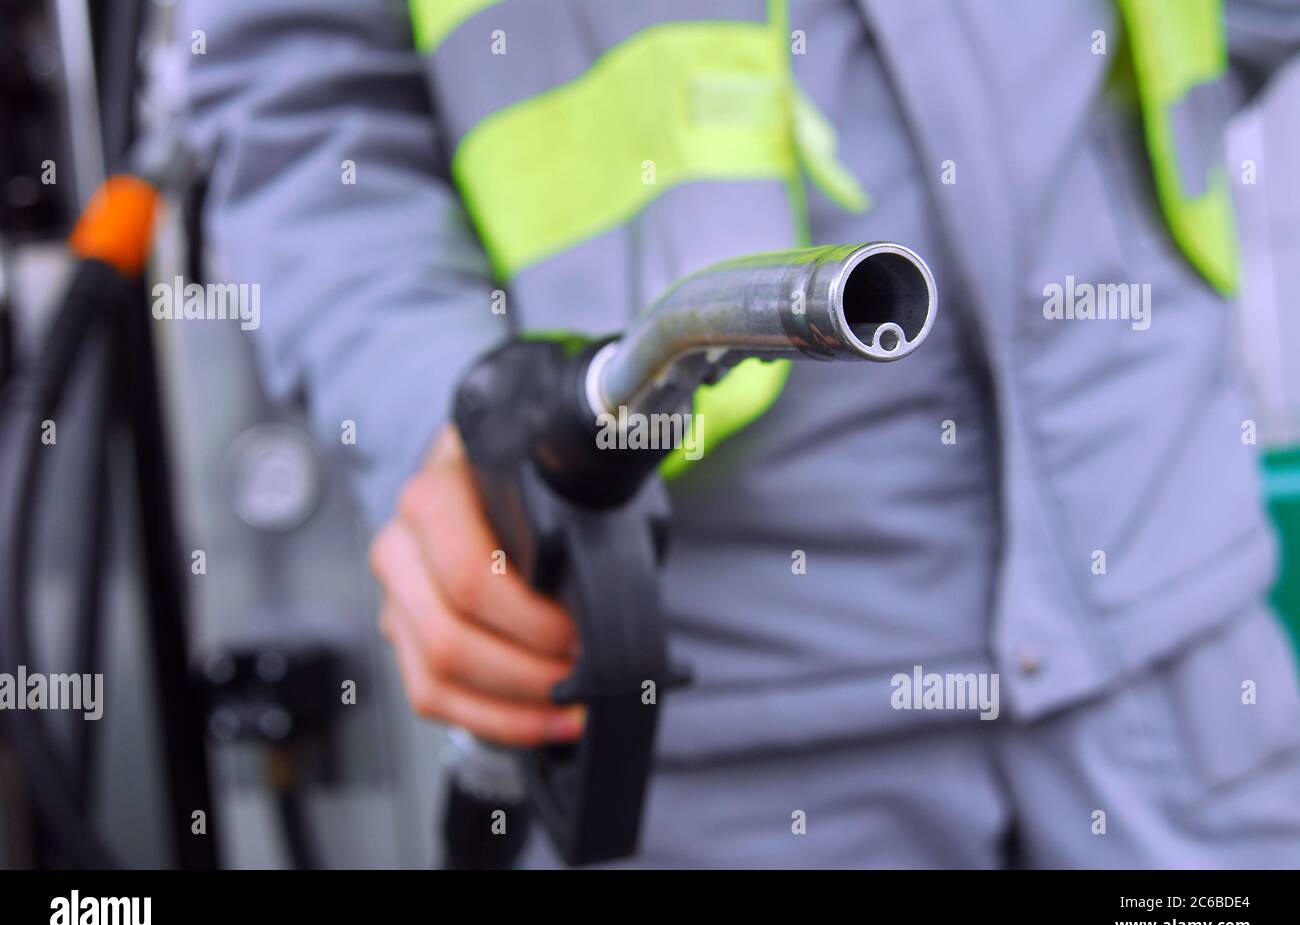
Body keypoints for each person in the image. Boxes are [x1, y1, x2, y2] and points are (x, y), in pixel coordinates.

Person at [183, 0, 1300, 867]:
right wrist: (443, 407)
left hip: (1174, 650)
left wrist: (1107, 172)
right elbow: (301, 107)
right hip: (710, 730)